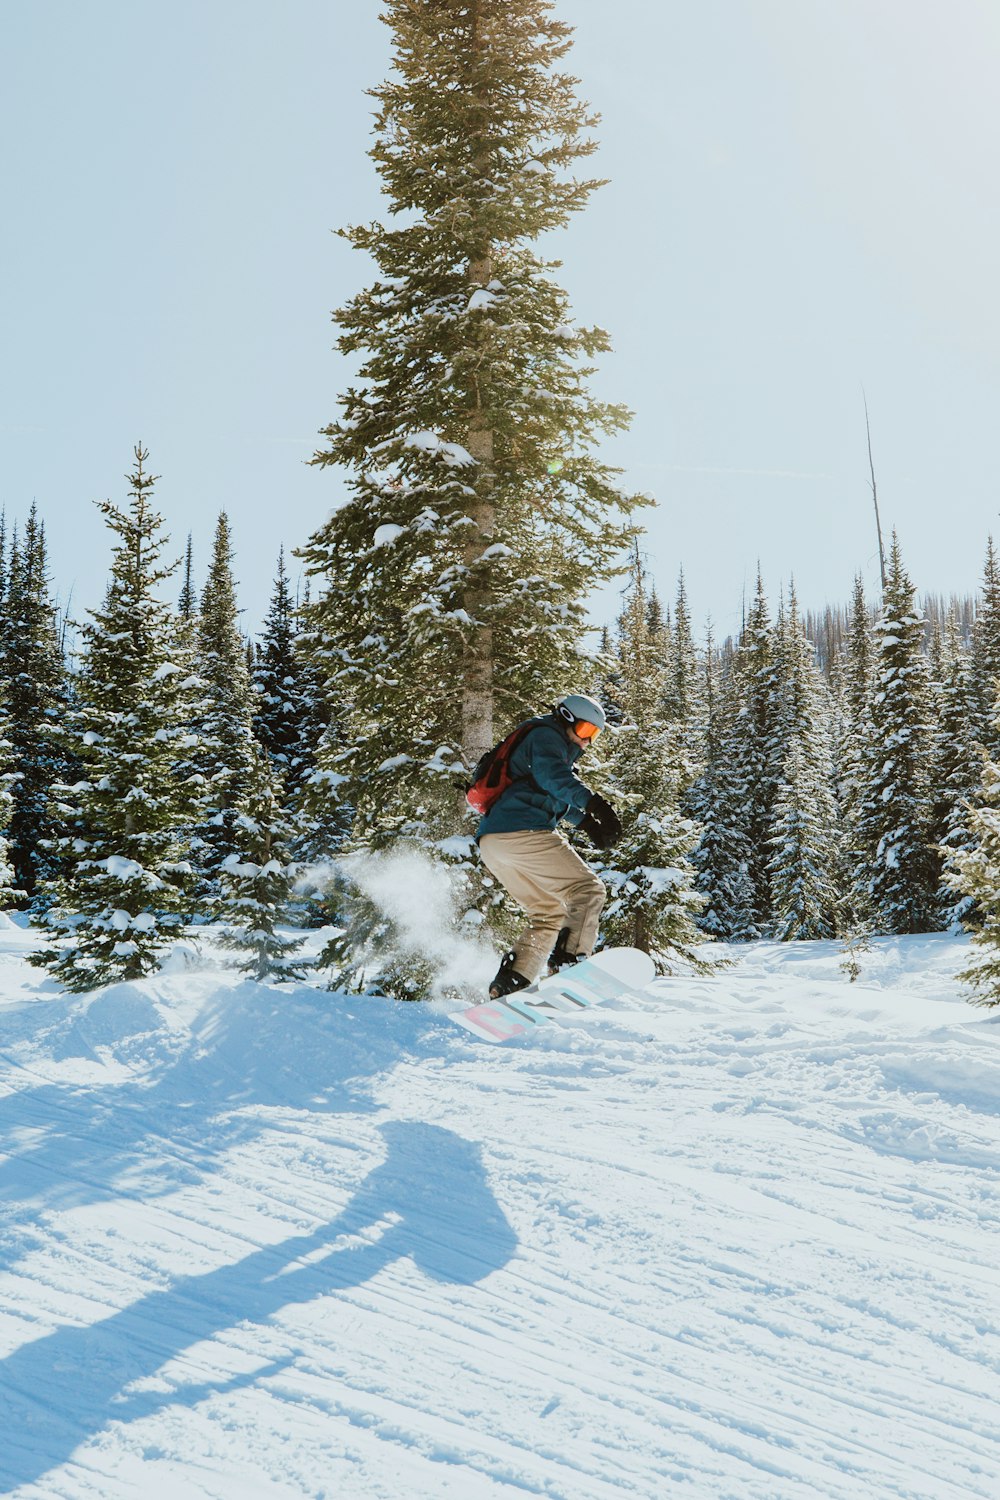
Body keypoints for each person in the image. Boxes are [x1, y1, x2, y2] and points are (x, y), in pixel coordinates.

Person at [476, 693, 622, 999]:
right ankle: (570, 963)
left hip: (494, 842)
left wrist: (587, 824)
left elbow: (550, 793)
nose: (586, 741)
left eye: (593, 735)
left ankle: (512, 982)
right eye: (584, 730)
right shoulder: (547, 735)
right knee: (588, 889)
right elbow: (553, 777)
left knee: (548, 912)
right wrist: (597, 806)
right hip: (521, 831)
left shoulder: (549, 747)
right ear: (567, 718)